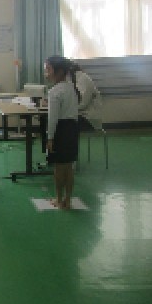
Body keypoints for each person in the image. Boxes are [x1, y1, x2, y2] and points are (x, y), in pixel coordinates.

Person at [44, 56, 80, 209]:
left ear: (58, 72)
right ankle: (68, 199)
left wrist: (50, 137)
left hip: (60, 130)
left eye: (48, 69)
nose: (46, 73)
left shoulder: (54, 92)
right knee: (69, 167)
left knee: (59, 167)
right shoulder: (72, 87)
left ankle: (58, 199)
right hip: (72, 128)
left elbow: (52, 118)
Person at [69, 62, 103, 131]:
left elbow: (83, 103)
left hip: (88, 118)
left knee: (61, 122)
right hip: (83, 115)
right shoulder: (78, 79)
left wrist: (65, 108)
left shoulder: (82, 79)